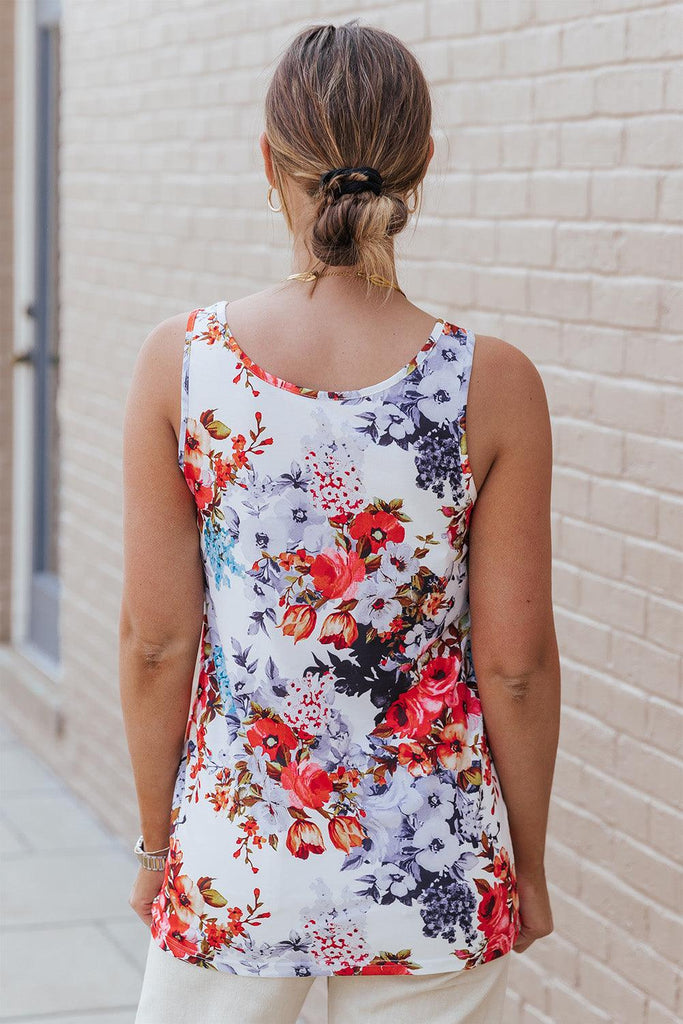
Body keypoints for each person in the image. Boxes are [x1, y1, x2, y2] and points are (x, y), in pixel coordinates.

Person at [119, 19, 560, 1024]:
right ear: (421, 168)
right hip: (435, 868)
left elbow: (154, 642)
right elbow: (517, 662)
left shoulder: (181, 366)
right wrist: (523, 861)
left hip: (238, 869)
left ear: (266, 162)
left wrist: (159, 848)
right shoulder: (489, 384)